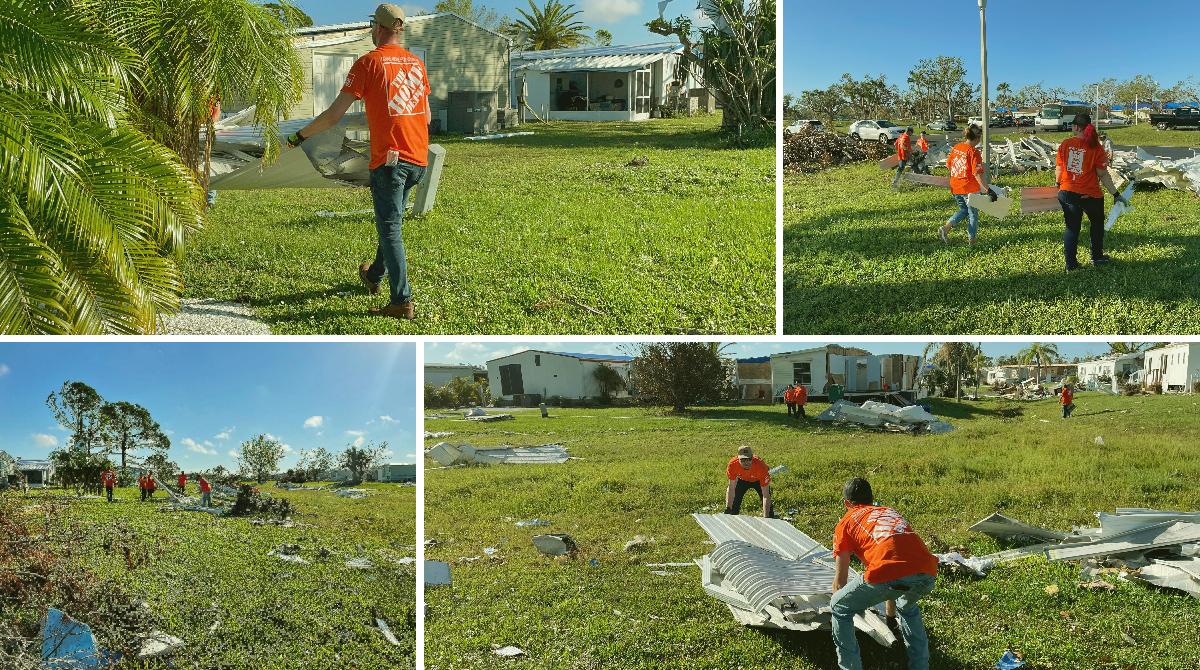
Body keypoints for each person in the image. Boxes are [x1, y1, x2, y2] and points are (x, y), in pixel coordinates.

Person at [286, 3, 431, 321]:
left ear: (377, 28)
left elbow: (333, 115)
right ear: (399, 29)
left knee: (390, 229)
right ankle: (374, 275)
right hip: (418, 158)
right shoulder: (417, 65)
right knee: (391, 222)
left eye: (371, 27)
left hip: (390, 161)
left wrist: (299, 136)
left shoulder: (369, 63)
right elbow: (426, 115)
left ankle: (401, 301)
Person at [831, 478, 938, 670]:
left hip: (890, 573)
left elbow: (840, 583)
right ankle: (920, 666)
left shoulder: (846, 522)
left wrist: (845, 600)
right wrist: (890, 617)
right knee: (907, 606)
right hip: (927, 571)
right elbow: (895, 565)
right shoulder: (889, 512)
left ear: (847, 503)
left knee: (838, 606)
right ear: (872, 499)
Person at [1055, 112, 1128, 271]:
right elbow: (1102, 174)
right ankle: (1097, 257)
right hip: (1090, 195)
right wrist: (1115, 194)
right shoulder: (1096, 147)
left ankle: (1071, 265)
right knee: (1096, 225)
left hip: (1067, 192)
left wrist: (1057, 184)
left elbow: (1059, 168)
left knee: (1071, 228)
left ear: (1075, 127)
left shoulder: (1065, 144)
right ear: (1089, 127)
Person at [938, 125, 997, 246]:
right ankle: (972, 241)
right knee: (973, 215)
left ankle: (945, 228)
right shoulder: (974, 152)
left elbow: (948, 165)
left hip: (955, 187)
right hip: (968, 189)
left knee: (964, 210)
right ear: (978, 138)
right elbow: (977, 174)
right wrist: (988, 190)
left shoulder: (957, 147)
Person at [724, 446, 772, 517]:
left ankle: (770, 517)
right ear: (738, 458)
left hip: (758, 480)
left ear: (752, 458)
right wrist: (728, 509)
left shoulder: (761, 467)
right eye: (743, 460)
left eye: (749, 459)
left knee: (769, 513)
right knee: (733, 509)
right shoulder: (732, 465)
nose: (746, 462)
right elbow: (731, 488)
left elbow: (766, 496)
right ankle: (731, 514)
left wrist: (767, 519)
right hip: (742, 480)